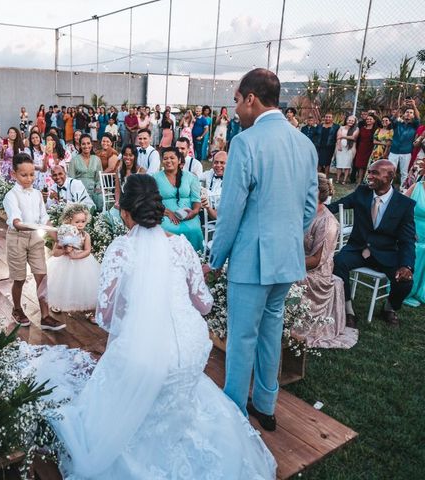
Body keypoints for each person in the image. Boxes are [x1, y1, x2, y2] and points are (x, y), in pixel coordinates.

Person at [32, 174, 276, 479]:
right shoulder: (183, 246)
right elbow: (205, 305)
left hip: (143, 357)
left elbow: (106, 319)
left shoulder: (120, 250)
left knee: (124, 375)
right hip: (189, 351)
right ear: (158, 209)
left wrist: (137, 320)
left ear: (124, 211)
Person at [209, 69, 318, 429]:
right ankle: (266, 406)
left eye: (238, 101)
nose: (236, 109)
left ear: (251, 98)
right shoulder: (306, 144)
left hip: (251, 261)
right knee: (271, 330)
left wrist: (216, 258)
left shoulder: (245, 142)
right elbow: (308, 208)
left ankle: (234, 412)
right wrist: (284, 235)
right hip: (286, 260)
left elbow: (230, 211)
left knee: (241, 337)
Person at [327, 160, 415, 327]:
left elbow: (407, 240)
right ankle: (348, 310)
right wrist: (317, 209)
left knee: (405, 282)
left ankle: (389, 308)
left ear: (389, 176)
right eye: (370, 172)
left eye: (375, 173)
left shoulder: (404, 205)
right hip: (358, 248)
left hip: (386, 253)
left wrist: (407, 266)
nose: (370, 176)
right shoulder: (362, 192)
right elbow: (337, 205)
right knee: (338, 263)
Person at [294, 174, 358, 349]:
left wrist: (287, 263)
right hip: (294, 259)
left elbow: (316, 261)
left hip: (315, 273)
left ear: (318, 193)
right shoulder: (301, 212)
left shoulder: (328, 222)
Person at [3, 153, 65, 331]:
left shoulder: (37, 194)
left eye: (32, 174)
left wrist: (57, 237)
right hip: (17, 239)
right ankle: (17, 308)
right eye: (24, 175)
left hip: (36, 239)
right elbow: (17, 223)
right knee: (19, 278)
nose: (29, 178)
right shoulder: (11, 196)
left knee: (42, 276)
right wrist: (35, 227)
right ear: (14, 174)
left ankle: (45, 316)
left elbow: (44, 219)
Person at [46, 204, 100, 314]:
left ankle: (87, 308)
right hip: (64, 263)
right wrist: (64, 250)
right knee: (62, 284)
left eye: (83, 221)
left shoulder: (85, 235)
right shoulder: (63, 234)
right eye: (77, 222)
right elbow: (55, 253)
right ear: (69, 221)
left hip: (82, 263)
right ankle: (59, 302)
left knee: (83, 284)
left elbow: (87, 250)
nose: (80, 224)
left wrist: (76, 256)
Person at [153, 147, 203, 251]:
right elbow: (152, 201)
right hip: (164, 213)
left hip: (188, 215)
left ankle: (196, 259)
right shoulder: (155, 178)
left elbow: (196, 199)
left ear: (179, 160)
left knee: (195, 230)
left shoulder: (191, 177)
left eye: (172, 158)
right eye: (165, 158)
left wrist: (194, 212)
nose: (168, 161)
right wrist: (168, 213)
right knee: (167, 229)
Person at [403, 160, 425, 307]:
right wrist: (408, 229)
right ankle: (406, 288)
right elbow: (400, 208)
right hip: (412, 231)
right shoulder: (416, 187)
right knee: (418, 249)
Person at [389, 99, 420, 187]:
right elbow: (393, 118)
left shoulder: (414, 125)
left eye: (411, 113)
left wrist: (414, 105)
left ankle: (403, 190)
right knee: (390, 171)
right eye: (407, 112)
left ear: (413, 116)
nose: (408, 114)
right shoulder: (397, 124)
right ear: (403, 114)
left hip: (406, 152)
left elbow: (418, 118)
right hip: (394, 151)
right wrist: (401, 107)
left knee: (404, 172)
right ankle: (387, 188)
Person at [68, 134, 103, 210]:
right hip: (79, 190)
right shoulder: (74, 160)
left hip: (93, 189)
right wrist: (76, 190)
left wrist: (97, 187)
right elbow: (71, 179)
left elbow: (99, 178)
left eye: (88, 143)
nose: (86, 146)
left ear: (91, 145)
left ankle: (98, 219)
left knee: (100, 199)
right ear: (80, 146)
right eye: (83, 144)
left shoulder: (96, 159)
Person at [114, 144, 146, 210]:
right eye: (125, 155)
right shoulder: (119, 170)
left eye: (131, 155)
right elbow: (117, 189)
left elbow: (143, 193)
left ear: (135, 156)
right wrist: (117, 202)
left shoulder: (141, 171)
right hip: (123, 202)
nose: (127, 157)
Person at [201, 151, 227, 220]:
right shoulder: (211, 173)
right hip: (206, 211)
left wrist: (203, 191)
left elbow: (215, 197)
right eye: (216, 162)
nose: (218, 165)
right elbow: (196, 178)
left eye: (222, 163)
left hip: (222, 216)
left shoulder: (232, 179)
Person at [353, 114, 376, 185]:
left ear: (374, 121)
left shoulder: (376, 129)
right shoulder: (362, 128)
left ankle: (366, 180)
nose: (368, 120)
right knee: (360, 165)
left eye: (370, 119)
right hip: (361, 147)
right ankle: (359, 181)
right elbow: (356, 138)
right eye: (367, 119)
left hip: (371, 148)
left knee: (368, 165)